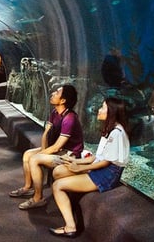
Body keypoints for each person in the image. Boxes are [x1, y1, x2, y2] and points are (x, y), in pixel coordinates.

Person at [47, 97, 130, 237]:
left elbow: (106, 163)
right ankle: (68, 205)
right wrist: (73, 161)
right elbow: (98, 157)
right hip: (101, 168)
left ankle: (70, 227)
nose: (99, 110)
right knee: (59, 172)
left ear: (111, 112)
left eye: (103, 108)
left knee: (57, 186)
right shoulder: (110, 129)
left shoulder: (116, 133)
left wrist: (80, 168)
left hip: (107, 174)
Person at [10, 84, 85, 210]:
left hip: (69, 155)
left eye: (57, 93)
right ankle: (28, 187)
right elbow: (47, 136)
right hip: (58, 150)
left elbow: (57, 147)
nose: (53, 94)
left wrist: (41, 155)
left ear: (63, 100)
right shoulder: (55, 112)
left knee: (34, 159)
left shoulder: (69, 119)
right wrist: (44, 145)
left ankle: (38, 198)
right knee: (28, 154)